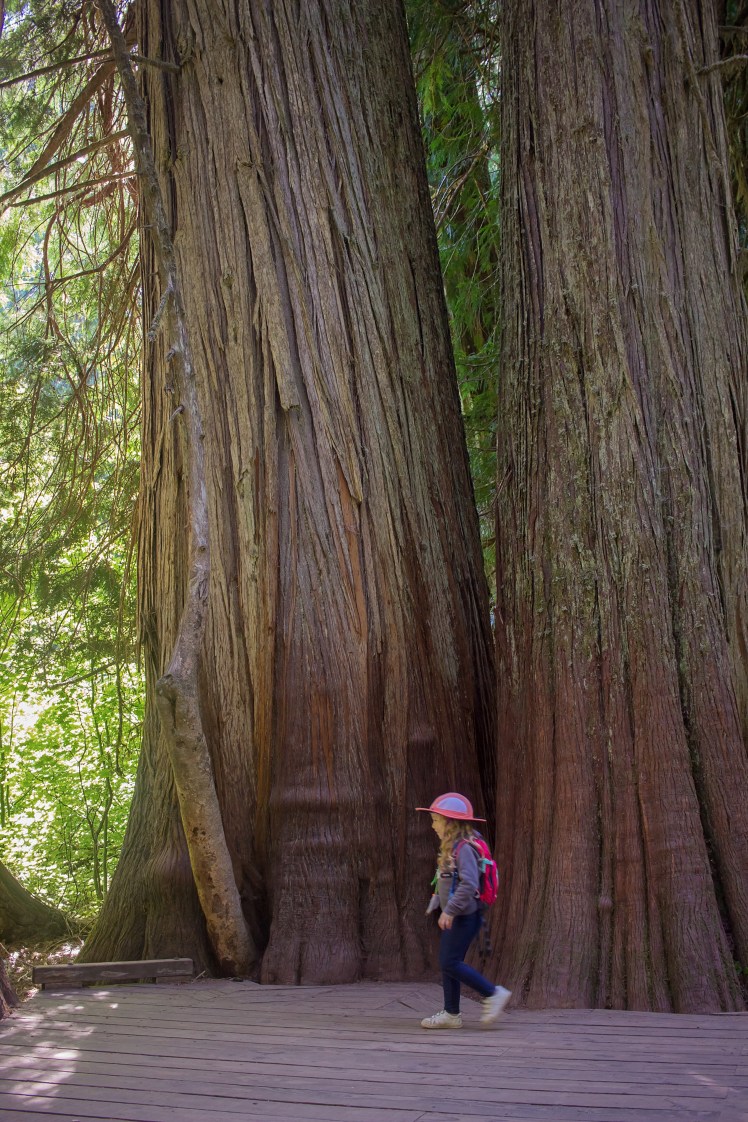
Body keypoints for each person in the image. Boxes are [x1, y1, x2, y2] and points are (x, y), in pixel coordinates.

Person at [416, 791, 511, 1029]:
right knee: (449, 961)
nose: (433, 825)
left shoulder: (464, 848)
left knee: (449, 962)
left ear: (449, 822)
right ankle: (451, 1013)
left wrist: (450, 911)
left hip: (466, 916)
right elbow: (447, 879)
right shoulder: (451, 847)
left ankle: (492, 993)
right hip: (457, 915)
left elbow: (469, 883)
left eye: (436, 820)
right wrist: (437, 901)